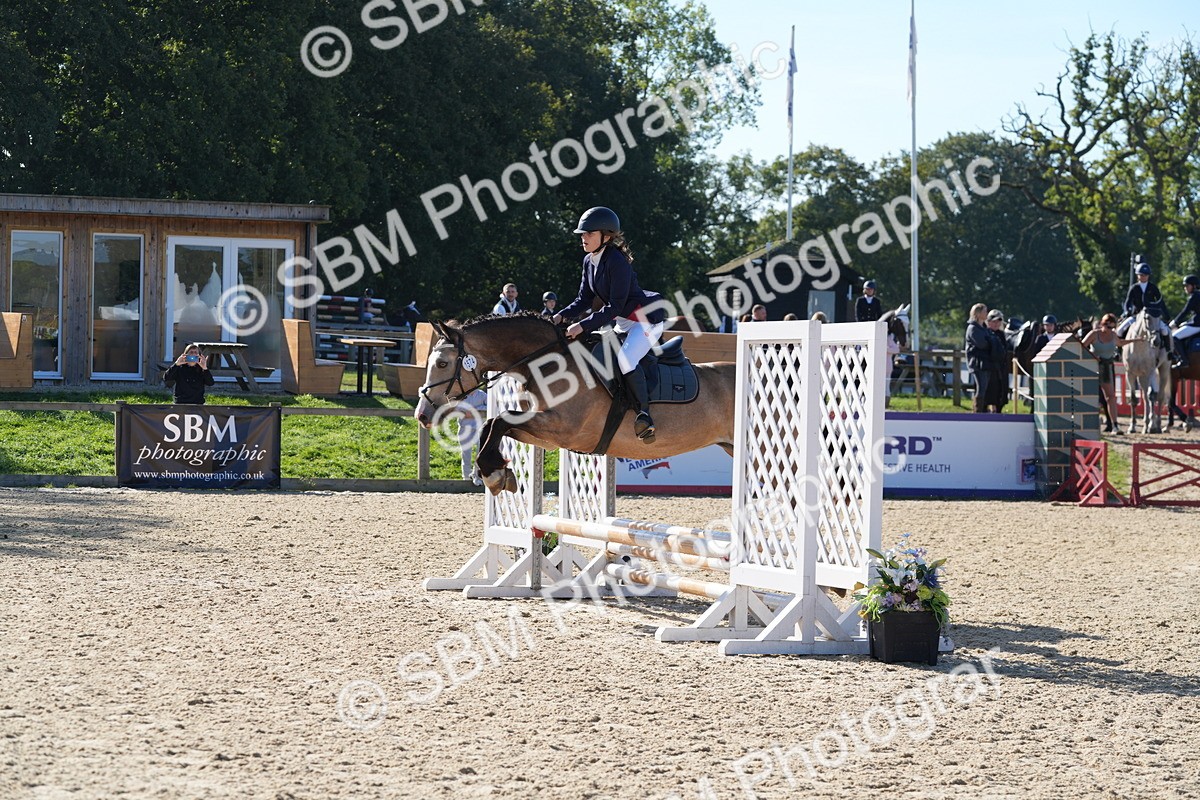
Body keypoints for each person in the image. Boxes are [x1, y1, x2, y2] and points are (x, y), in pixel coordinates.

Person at [553, 206, 666, 443]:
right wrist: (560, 316)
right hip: (622, 322)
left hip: (644, 322)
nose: (583, 238)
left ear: (606, 235)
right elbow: (583, 299)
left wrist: (582, 325)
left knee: (625, 360)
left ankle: (645, 415)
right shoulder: (588, 260)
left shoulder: (617, 261)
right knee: (595, 352)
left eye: (589, 234)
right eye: (582, 234)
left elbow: (614, 306)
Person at [1082, 313, 1130, 433]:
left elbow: (1120, 343)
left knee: (1111, 397)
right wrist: (1093, 356)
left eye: (1113, 328)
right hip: (1093, 367)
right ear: (1103, 324)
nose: (1111, 330)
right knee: (1091, 397)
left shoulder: (1113, 335)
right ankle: (1089, 425)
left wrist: (1137, 340)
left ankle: (1115, 425)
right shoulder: (1094, 334)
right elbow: (1082, 347)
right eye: (1108, 327)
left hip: (1107, 368)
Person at [1117, 257, 1171, 341]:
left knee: (1165, 331)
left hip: (1151, 316)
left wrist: (1166, 315)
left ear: (1148, 276)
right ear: (1137, 275)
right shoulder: (1134, 288)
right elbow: (1128, 302)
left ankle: (1168, 351)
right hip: (1136, 315)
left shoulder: (1153, 288)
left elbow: (1160, 302)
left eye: (1146, 275)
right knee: (1120, 331)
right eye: (1141, 275)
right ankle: (1119, 350)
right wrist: (1127, 311)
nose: (1143, 277)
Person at [965, 304, 993, 413]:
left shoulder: (984, 328)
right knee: (981, 387)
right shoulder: (973, 328)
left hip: (985, 361)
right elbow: (982, 344)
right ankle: (978, 410)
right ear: (978, 313)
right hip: (977, 362)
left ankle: (983, 409)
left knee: (985, 387)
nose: (986, 313)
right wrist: (991, 343)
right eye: (984, 311)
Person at [456, 389, 488, 485]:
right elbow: (455, 408)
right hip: (464, 428)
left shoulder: (482, 394)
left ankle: (477, 476)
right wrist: (465, 413)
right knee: (466, 454)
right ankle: (466, 478)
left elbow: (490, 406)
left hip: (480, 429)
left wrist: (475, 410)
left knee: (479, 454)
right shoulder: (461, 395)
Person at [1169, 274, 1200, 367]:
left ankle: (1184, 361)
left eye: (1187, 285)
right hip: (1196, 322)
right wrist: (1186, 322)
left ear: (1194, 286)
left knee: (1174, 337)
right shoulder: (1198, 295)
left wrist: (1175, 322)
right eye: (1185, 286)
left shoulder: (1194, 296)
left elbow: (1185, 311)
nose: (1185, 288)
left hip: (1197, 325)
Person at [984, 309, 1010, 412]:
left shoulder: (1002, 335)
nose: (996, 324)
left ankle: (998, 410)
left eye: (998, 322)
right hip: (989, 367)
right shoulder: (985, 333)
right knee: (988, 393)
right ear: (988, 322)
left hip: (1001, 368)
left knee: (1001, 391)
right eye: (994, 321)